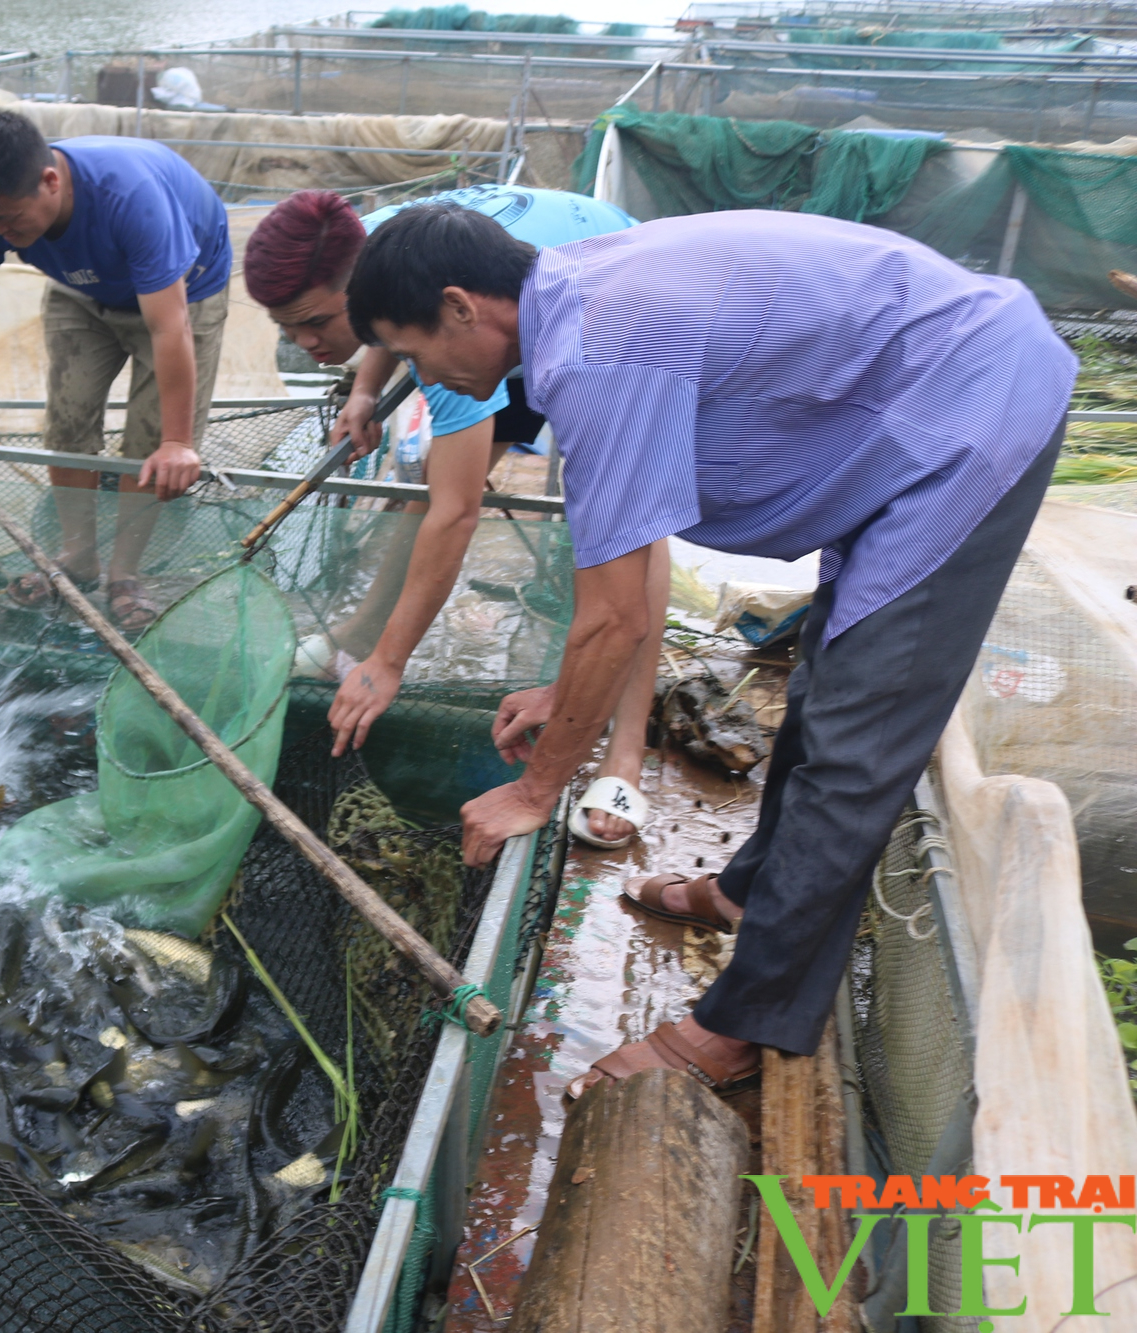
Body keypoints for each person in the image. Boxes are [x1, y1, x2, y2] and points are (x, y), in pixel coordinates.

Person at [343, 203, 1076, 1097]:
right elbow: (622, 582)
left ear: (461, 306)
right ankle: (749, 891)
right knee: (825, 682)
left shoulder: (597, 357)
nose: (422, 378)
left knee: (859, 738)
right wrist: (566, 692)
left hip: (971, 412)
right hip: (913, 403)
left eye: (412, 353)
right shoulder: (573, 295)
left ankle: (745, 1021)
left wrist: (538, 791)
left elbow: (613, 617)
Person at [242, 186, 658, 850]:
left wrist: (393, 664)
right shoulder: (362, 247)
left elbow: (459, 513)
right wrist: (365, 388)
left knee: (628, 520)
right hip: (495, 308)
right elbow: (381, 322)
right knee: (431, 478)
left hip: (591, 305)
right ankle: (360, 634)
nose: (303, 341)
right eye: (286, 327)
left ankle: (625, 747)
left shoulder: (444, 323)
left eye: (315, 322)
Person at [0, 110, 231, 631]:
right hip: (82, 291)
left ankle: (125, 575)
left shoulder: (129, 196)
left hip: (182, 292)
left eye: (9, 221)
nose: (0, 233)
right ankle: (77, 557)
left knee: (150, 441)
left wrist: (175, 441)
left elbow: (170, 327)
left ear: (49, 181)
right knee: (67, 420)